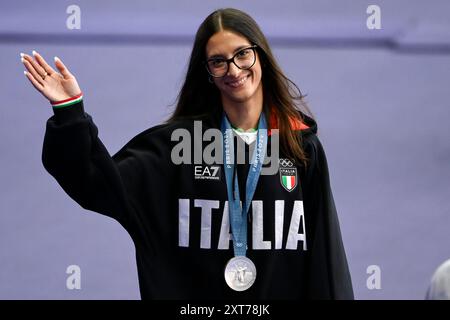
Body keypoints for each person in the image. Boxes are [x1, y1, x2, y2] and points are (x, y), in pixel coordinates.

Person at [21, 8, 353, 299]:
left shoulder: (299, 147)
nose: (234, 70)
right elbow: (95, 183)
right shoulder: (177, 148)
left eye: (242, 55)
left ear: (260, 55)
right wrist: (70, 113)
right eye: (218, 62)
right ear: (207, 73)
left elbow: (325, 258)